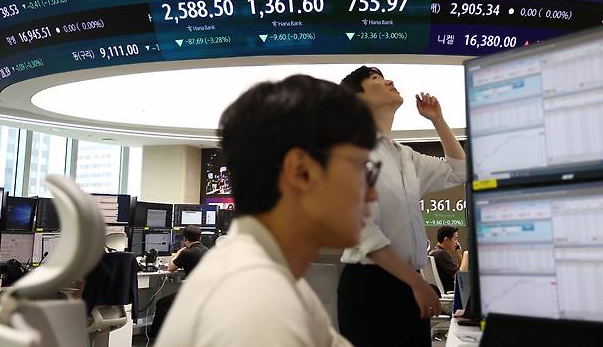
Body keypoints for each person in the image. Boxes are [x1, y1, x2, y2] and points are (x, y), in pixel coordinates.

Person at [155, 75, 378, 346]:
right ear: (300, 170)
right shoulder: (257, 302)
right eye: (360, 168)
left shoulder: (273, 281)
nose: (371, 192)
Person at [338, 66, 467, 347]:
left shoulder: (404, 156)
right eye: (375, 78)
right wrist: (417, 283)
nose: (389, 80)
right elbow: (364, 231)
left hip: (407, 283)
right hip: (369, 285)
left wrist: (438, 120)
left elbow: (460, 170)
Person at [149, 225, 208, 337]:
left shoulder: (187, 253)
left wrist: (179, 252)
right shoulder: (207, 250)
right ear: (200, 238)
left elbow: (171, 268)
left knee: (161, 303)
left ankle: (155, 337)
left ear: (185, 239)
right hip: (205, 293)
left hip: (193, 294)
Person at [429, 226, 462, 293]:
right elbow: (461, 277)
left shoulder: (435, 252)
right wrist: (460, 254)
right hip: (451, 292)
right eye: (455, 239)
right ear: (446, 239)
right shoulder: (441, 254)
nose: (457, 243)